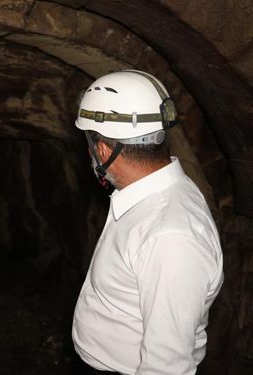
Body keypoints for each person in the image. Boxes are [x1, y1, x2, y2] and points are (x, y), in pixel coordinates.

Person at [71, 70, 223, 374]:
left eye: (89, 143)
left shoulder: (170, 237)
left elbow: (167, 366)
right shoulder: (149, 196)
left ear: (102, 149)